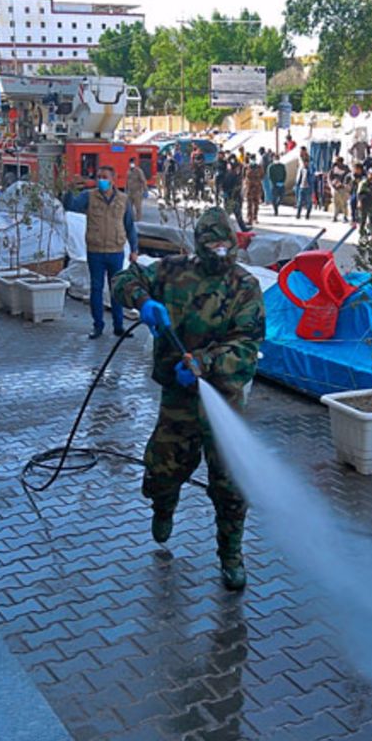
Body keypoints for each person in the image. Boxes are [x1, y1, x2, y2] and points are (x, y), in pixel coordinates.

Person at [113, 208, 266, 591]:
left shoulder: (244, 286)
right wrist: (142, 300)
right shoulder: (171, 272)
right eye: (211, 244)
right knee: (163, 470)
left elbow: (246, 348)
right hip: (178, 399)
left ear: (233, 243)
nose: (219, 251)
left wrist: (205, 362)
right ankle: (163, 507)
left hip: (222, 401)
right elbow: (124, 278)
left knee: (230, 484)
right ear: (198, 245)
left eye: (224, 244)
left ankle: (231, 555)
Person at [85, 166, 139, 339]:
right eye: (99, 177)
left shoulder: (123, 200)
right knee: (96, 289)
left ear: (113, 179)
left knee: (116, 290)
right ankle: (97, 326)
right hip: (95, 251)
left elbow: (130, 226)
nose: (101, 180)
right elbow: (69, 204)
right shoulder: (89, 196)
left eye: (105, 177)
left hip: (116, 251)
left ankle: (118, 326)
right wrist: (71, 188)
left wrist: (134, 249)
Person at [328, 156, 353, 223]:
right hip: (335, 188)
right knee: (336, 203)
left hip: (343, 188)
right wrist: (332, 183)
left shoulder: (346, 169)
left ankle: (345, 216)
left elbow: (349, 177)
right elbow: (330, 177)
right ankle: (335, 216)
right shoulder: (334, 168)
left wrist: (344, 184)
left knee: (343, 203)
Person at [243, 160, 264, 227]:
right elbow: (262, 176)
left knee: (252, 204)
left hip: (250, 187)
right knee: (254, 203)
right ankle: (253, 217)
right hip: (255, 187)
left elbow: (243, 176)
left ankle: (251, 218)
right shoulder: (259, 167)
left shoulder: (247, 167)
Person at [126, 158, 147, 223]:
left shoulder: (138, 171)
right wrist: (126, 189)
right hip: (130, 192)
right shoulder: (128, 171)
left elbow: (143, 180)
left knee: (138, 207)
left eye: (132, 163)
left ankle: (139, 221)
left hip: (137, 192)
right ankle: (131, 220)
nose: (131, 164)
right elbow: (127, 181)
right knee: (129, 207)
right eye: (130, 163)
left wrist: (145, 190)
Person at [295, 156, 313, 220]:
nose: (305, 164)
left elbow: (312, 178)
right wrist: (297, 185)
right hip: (302, 187)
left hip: (308, 187)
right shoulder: (301, 169)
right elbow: (299, 178)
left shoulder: (310, 170)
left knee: (309, 202)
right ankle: (298, 214)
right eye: (304, 162)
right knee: (300, 202)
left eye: (306, 162)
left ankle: (307, 214)